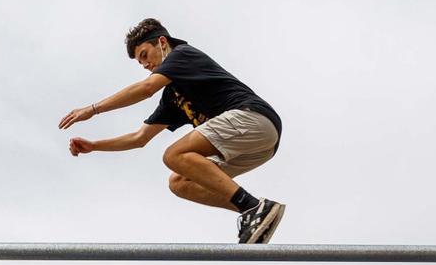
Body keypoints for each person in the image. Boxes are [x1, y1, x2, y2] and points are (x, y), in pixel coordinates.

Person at [58, 17, 286, 244]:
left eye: (145, 55)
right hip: (260, 146)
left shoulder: (182, 55)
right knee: (179, 183)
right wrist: (95, 146)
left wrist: (93, 109)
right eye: (140, 63)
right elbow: (140, 138)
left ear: (162, 42)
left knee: (174, 155)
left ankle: (253, 208)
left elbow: (146, 88)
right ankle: (256, 211)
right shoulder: (173, 97)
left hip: (253, 118)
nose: (145, 65)